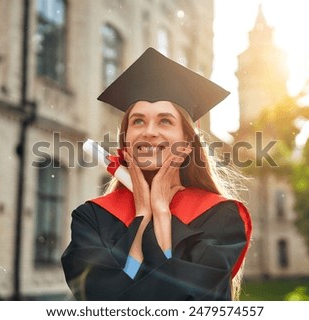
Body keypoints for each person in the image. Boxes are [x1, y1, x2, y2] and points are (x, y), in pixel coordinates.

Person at [61, 47, 252, 300]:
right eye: (138, 121)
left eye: (165, 121)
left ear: (187, 142)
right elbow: (100, 300)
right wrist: (142, 215)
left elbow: (177, 301)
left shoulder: (220, 217)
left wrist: (161, 211)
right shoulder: (92, 218)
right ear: (125, 139)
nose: (149, 132)